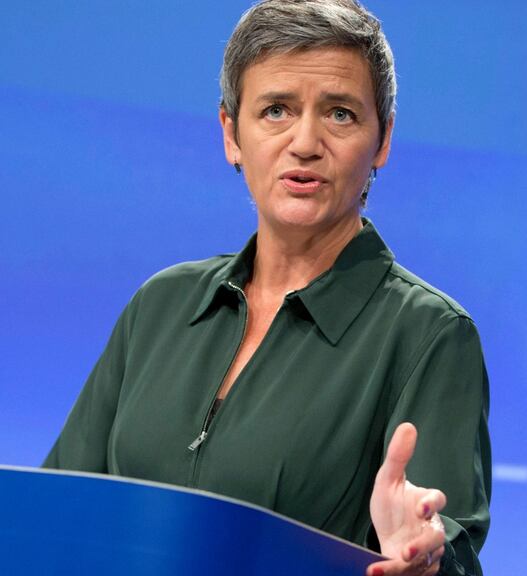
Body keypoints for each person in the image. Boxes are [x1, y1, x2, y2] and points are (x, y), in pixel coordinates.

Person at [42, 1, 491, 575]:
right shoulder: (162, 304)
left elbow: (442, 543)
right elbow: (55, 510)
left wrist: (425, 559)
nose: (305, 142)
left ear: (382, 141)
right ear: (232, 134)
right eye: (276, 110)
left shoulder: (429, 335)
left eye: (341, 114)